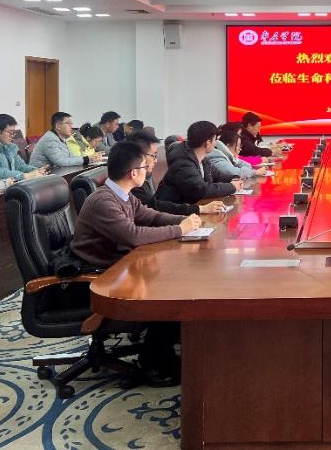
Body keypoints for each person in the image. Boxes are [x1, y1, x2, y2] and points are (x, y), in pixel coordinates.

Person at [69, 141, 201, 385]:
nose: (148, 168)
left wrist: (187, 220)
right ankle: (154, 364)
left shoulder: (123, 195)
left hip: (117, 266)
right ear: (133, 173)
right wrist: (179, 230)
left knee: (172, 277)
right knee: (166, 288)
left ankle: (165, 348)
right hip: (97, 278)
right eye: (144, 165)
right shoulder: (104, 201)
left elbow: (151, 216)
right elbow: (133, 235)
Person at [125, 130, 227, 216]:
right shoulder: (131, 181)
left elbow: (155, 207)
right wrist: (199, 209)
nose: (155, 160)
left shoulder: (146, 174)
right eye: (153, 155)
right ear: (139, 156)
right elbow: (153, 207)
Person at [156, 121, 243, 205]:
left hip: (193, 207)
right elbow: (200, 190)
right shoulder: (183, 162)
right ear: (208, 143)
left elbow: (218, 176)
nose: (216, 143)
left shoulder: (201, 158)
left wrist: (235, 179)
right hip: (173, 210)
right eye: (215, 140)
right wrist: (232, 187)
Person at [0, 114, 47, 182]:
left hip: (11, 184)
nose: (12, 136)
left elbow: (20, 166)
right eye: (10, 132)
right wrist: (23, 176)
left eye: (13, 133)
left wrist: (36, 171)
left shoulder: (9, 147)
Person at [30, 112, 105, 170]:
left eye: (71, 124)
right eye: (68, 123)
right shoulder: (50, 139)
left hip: (53, 173)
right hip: (40, 176)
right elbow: (60, 161)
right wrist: (86, 159)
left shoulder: (61, 138)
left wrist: (91, 158)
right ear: (58, 126)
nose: (71, 126)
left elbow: (71, 157)